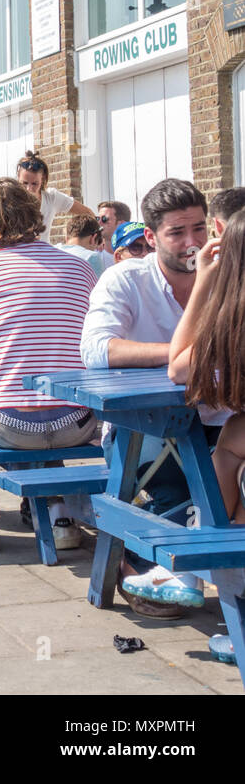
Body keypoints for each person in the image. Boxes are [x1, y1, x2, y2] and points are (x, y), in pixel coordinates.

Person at [82, 178, 222, 616]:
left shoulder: (226, 275)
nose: (192, 243)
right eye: (177, 232)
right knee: (175, 490)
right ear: (150, 237)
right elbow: (97, 349)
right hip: (143, 427)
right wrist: (181, 356)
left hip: (220, 419)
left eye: (199, 229)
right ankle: (141, 565)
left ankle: (202, 568)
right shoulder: (126, 279)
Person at [0, 178, 99, 554]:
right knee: (49, 389)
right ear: (35, 216)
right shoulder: (79, 268)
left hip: (11, 426)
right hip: (80, 422)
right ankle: (59, 513)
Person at [170, 209, 245, 663]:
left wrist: (203, 284)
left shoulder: (234, 321)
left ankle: (234, 623)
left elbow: (179, 365)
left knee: (223, 520)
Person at [14, 150, 92, 240]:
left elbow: (88, 213)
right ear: (18, 179)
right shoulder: (11, 201)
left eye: (35, 184)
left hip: (44, 252)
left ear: (42, 179)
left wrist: (97, 236)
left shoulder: (51, 197)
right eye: (24, 183)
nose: (29, 189)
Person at [55, 214, 107, 279]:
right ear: (93, 238)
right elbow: (101, 288)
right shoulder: (92, 257)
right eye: (98, 242)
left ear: (66, 237)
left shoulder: (51, 252)